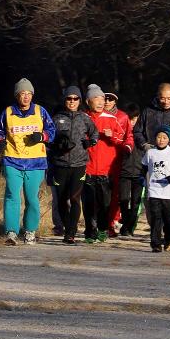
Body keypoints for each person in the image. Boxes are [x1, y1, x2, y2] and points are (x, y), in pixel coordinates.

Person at [0, 78, 55, 245]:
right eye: (22, 93)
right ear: (17, 95)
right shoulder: (8, 112)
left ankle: (30, 231)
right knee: (12, 195)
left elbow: (52, 130)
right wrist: (0, 141)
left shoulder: (40, 111)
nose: (26, 97)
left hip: (36, 162)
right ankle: (11, 232)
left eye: (29, 93)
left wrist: (42, 136)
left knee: (32, 198)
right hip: (13, 159)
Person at [129, 83, 170, 238]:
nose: (166, 101)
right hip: (154, 162)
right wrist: (144, 145)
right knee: (152, 201)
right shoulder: (148, 111)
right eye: (162, 98)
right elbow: (137, 132)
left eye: (169, 98)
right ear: (157, 96)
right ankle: (156, 231)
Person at [48, 86, 95, 243]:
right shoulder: (55, 118)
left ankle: (71, 232)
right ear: (65, 100)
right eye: (69, 98)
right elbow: (47, 139)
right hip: (60, 164)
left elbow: (95, 134)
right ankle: (67, 226)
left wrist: (90, 142)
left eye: (75, 99)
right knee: (61, 200)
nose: (72, 101)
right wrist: (56, 145)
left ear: (80, 101)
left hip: (79, 164)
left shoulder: (85, 118)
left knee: (75, 199)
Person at [84, 85, 123, 244]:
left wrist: (112, 135)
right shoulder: (82, 118)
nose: (100, 102)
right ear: (88, 101)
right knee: (88, 204)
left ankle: (102, 229)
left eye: (102, 99)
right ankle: (89, 232)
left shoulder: (112, 119)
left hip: (106, 170)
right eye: (96, 99)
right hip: (87, 167)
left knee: (104, 203)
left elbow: (122, 139)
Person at [144, 128, 170, 253]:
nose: (161, 140)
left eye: (164, 138)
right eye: (159, 137)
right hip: (154, 190)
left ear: (169, 139)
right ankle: (155, 243)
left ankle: (169, 239)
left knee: (169, 218)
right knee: (156, 217)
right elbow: (143, 167)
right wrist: (141, 180)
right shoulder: (150, 153)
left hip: (169, 192)